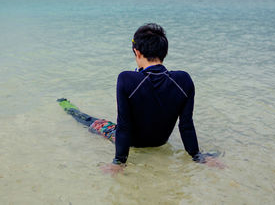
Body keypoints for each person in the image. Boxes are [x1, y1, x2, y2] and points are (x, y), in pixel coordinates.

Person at [58, 23, 224, 173]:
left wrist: (119, 162)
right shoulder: (183, 80)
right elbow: (186, 125)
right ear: (164, 52)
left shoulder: (127, 79)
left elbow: (124, 125)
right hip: (160, 142)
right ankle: (197, 156)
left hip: (132, 143)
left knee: (90, 121)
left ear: (137, 52)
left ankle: (66, 106)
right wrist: (197, 156)